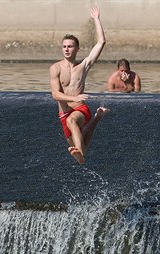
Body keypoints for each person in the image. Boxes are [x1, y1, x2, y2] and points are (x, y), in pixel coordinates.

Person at [49, 5, 110, 165]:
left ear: (77, 49)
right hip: (63, 114)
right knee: (81, 143)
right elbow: (55, 95)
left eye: (70, 46)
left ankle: (80, 154)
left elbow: (101, 42)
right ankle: (97, 119)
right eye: (64, 46)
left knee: (74, 127)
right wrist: (73, 96)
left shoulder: (83, 66)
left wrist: (96, 19)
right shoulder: (55, 68)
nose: (66, 49)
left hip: (80, 110)